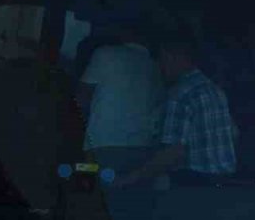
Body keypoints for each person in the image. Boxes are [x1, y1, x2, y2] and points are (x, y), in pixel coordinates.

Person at [120, 37, 238, 186]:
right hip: (225, 181)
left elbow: (173, 154)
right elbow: (234, 134)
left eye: (161, 60)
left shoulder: (180, 94)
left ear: (170, 57)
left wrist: (131, 178)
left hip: (194, 184)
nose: (159, 67)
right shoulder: (215, 90)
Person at [77, 19, 165, 172]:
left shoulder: (105, 54)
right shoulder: (156, 67)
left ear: (124, 32)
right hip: (142, 149)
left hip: (102, 146)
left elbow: (81, 98)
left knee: (85, 177)